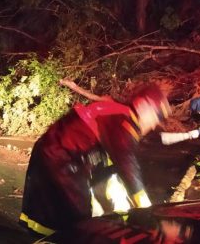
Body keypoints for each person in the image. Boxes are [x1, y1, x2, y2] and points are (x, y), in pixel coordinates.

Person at [19, 84, 171, 238]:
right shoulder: (123, 121)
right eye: (157, 115)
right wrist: (147, 210)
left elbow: (109, 166)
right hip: (62, 160)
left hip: (55, 154)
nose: (154, 124)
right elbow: (127, 165)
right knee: (78, 219)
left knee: (52, 213)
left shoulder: (117, 113)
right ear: (142, 105)